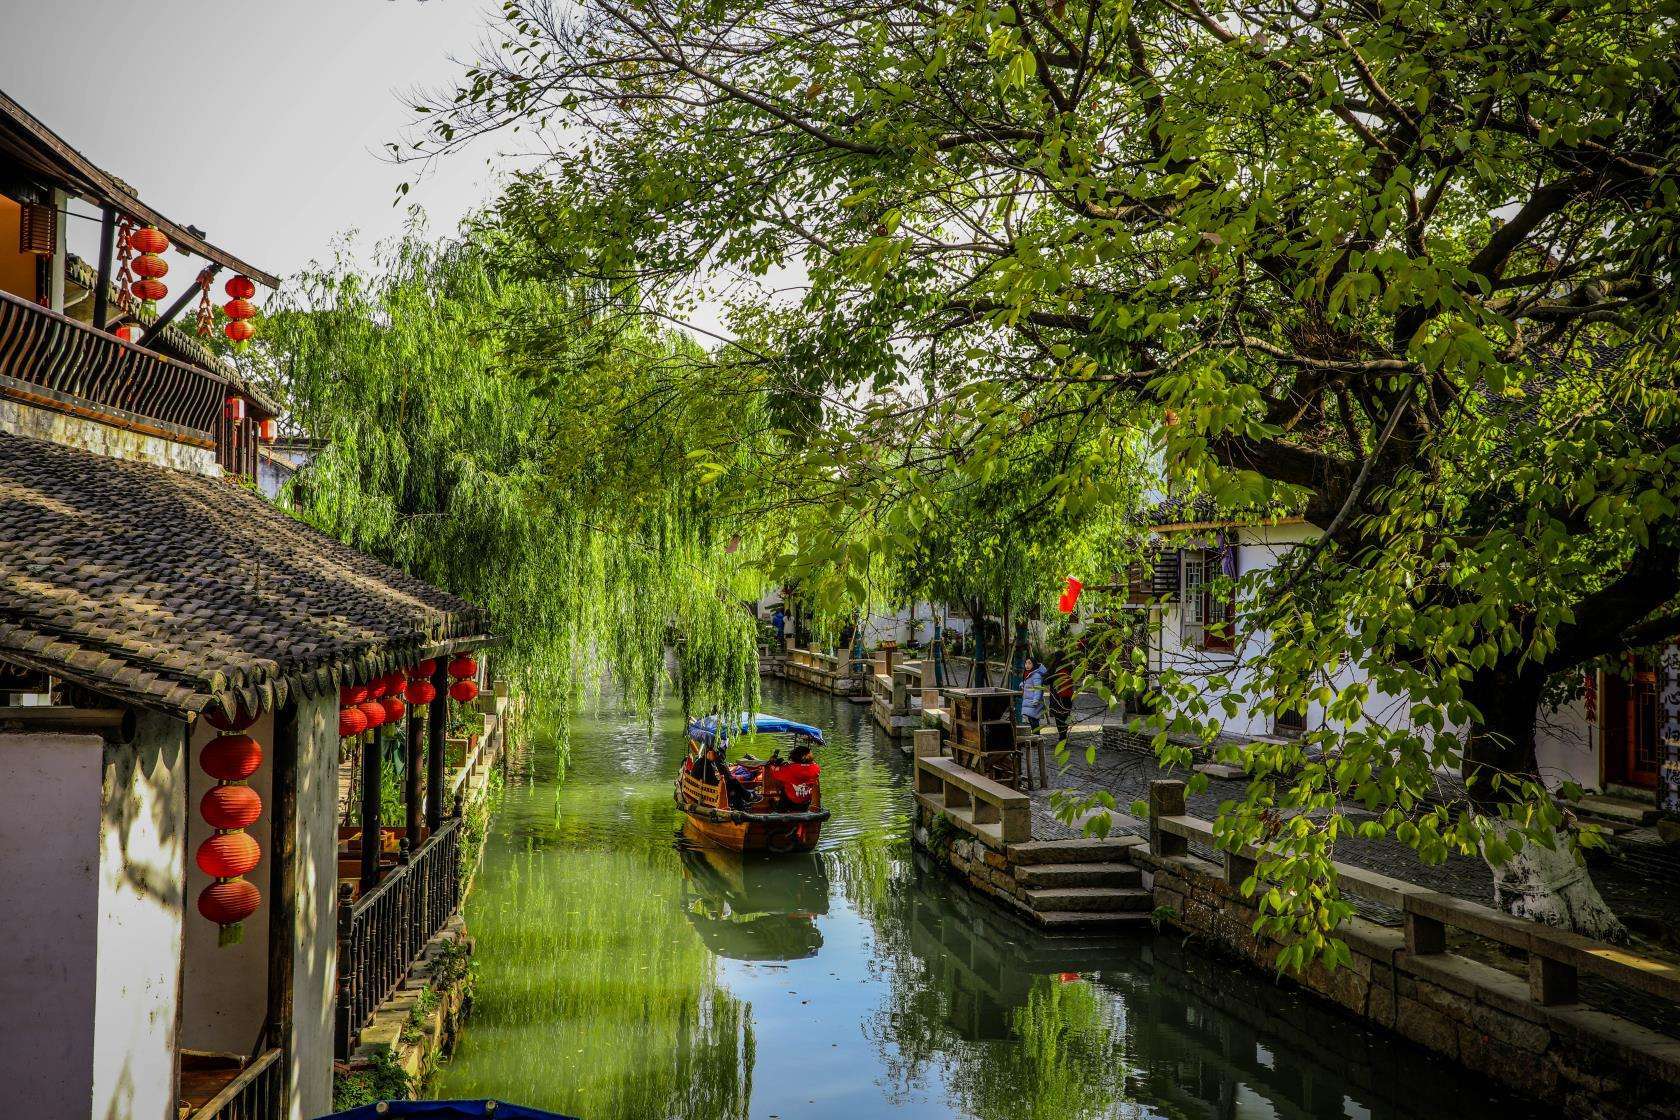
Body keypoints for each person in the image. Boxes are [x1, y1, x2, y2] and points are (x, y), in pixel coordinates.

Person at [767, 742, 821, 807]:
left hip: (790, 803)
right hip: (806, 803)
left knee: (772, 798)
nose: (812, 755)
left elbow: (774, 771)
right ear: (805, 756)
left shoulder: (788, 769)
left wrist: (772, 763)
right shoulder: (816, 768)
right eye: (810, 753)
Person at [1045, 648, 1075, 744]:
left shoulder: (1055, 668)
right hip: (1068, 697)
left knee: (1059, 717)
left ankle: (1062, 737)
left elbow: (1046, 680)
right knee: (1065, 716)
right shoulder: (1070, 668)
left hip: (1057, 697)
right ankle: (1063, 736)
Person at [1019, 657, 1047, 729]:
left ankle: (1037, 738)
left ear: (1034, 664)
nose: (1027, 665)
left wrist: (1036, 700)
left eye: (1029, 663)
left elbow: (1038, 689)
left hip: (1033, 702)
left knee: (1034, 722)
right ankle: (1036, 738)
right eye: (1026, 663)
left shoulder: (1036, 675)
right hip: (1029, 701)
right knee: (1032, 721)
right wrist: (1023, 684)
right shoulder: (1029, 674)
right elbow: (1030, 683)